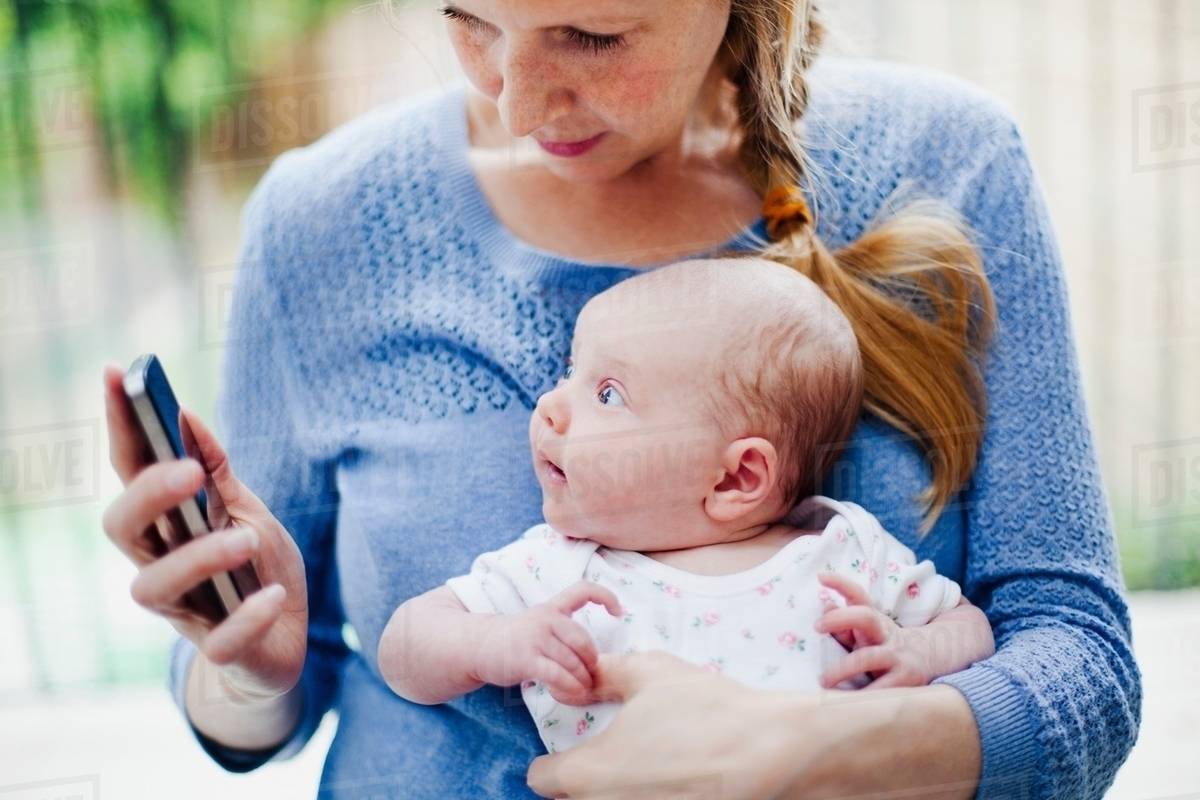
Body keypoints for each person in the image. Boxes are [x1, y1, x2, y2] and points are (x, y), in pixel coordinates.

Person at [99, 1, 1141, 798]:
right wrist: (246, 664)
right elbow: (275, 704)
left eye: (592, 36)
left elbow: (1082, 666)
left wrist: (816, 751)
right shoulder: (320, 221)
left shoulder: (946, 162)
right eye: (469, 23)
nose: (512, 102)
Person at [378, 257, 997, 755]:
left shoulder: (841, 552)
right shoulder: (564, 570)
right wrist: (495, 643)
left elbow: (969, 626)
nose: (551, 405)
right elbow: (404, 647)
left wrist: (917, 653)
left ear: (735, 478)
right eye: (569, 372)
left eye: (608, 393)